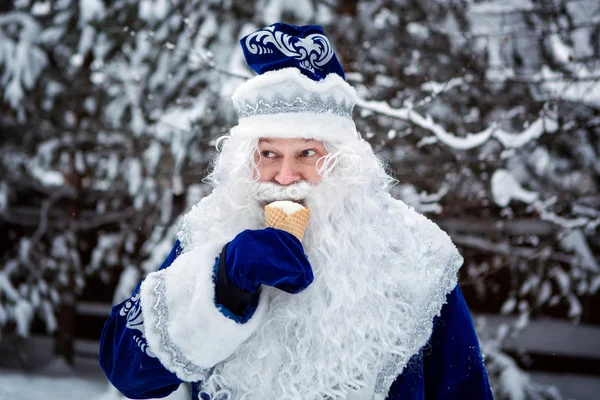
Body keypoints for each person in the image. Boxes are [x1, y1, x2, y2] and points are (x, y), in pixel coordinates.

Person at [99, 23, 494, 400]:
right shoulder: (212, 228)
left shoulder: (416, 254)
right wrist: (224, 283)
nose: (286, 177)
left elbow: (464, 390)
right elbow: (126, 370)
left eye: (307, 153)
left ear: (342, 161)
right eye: (268, 153)